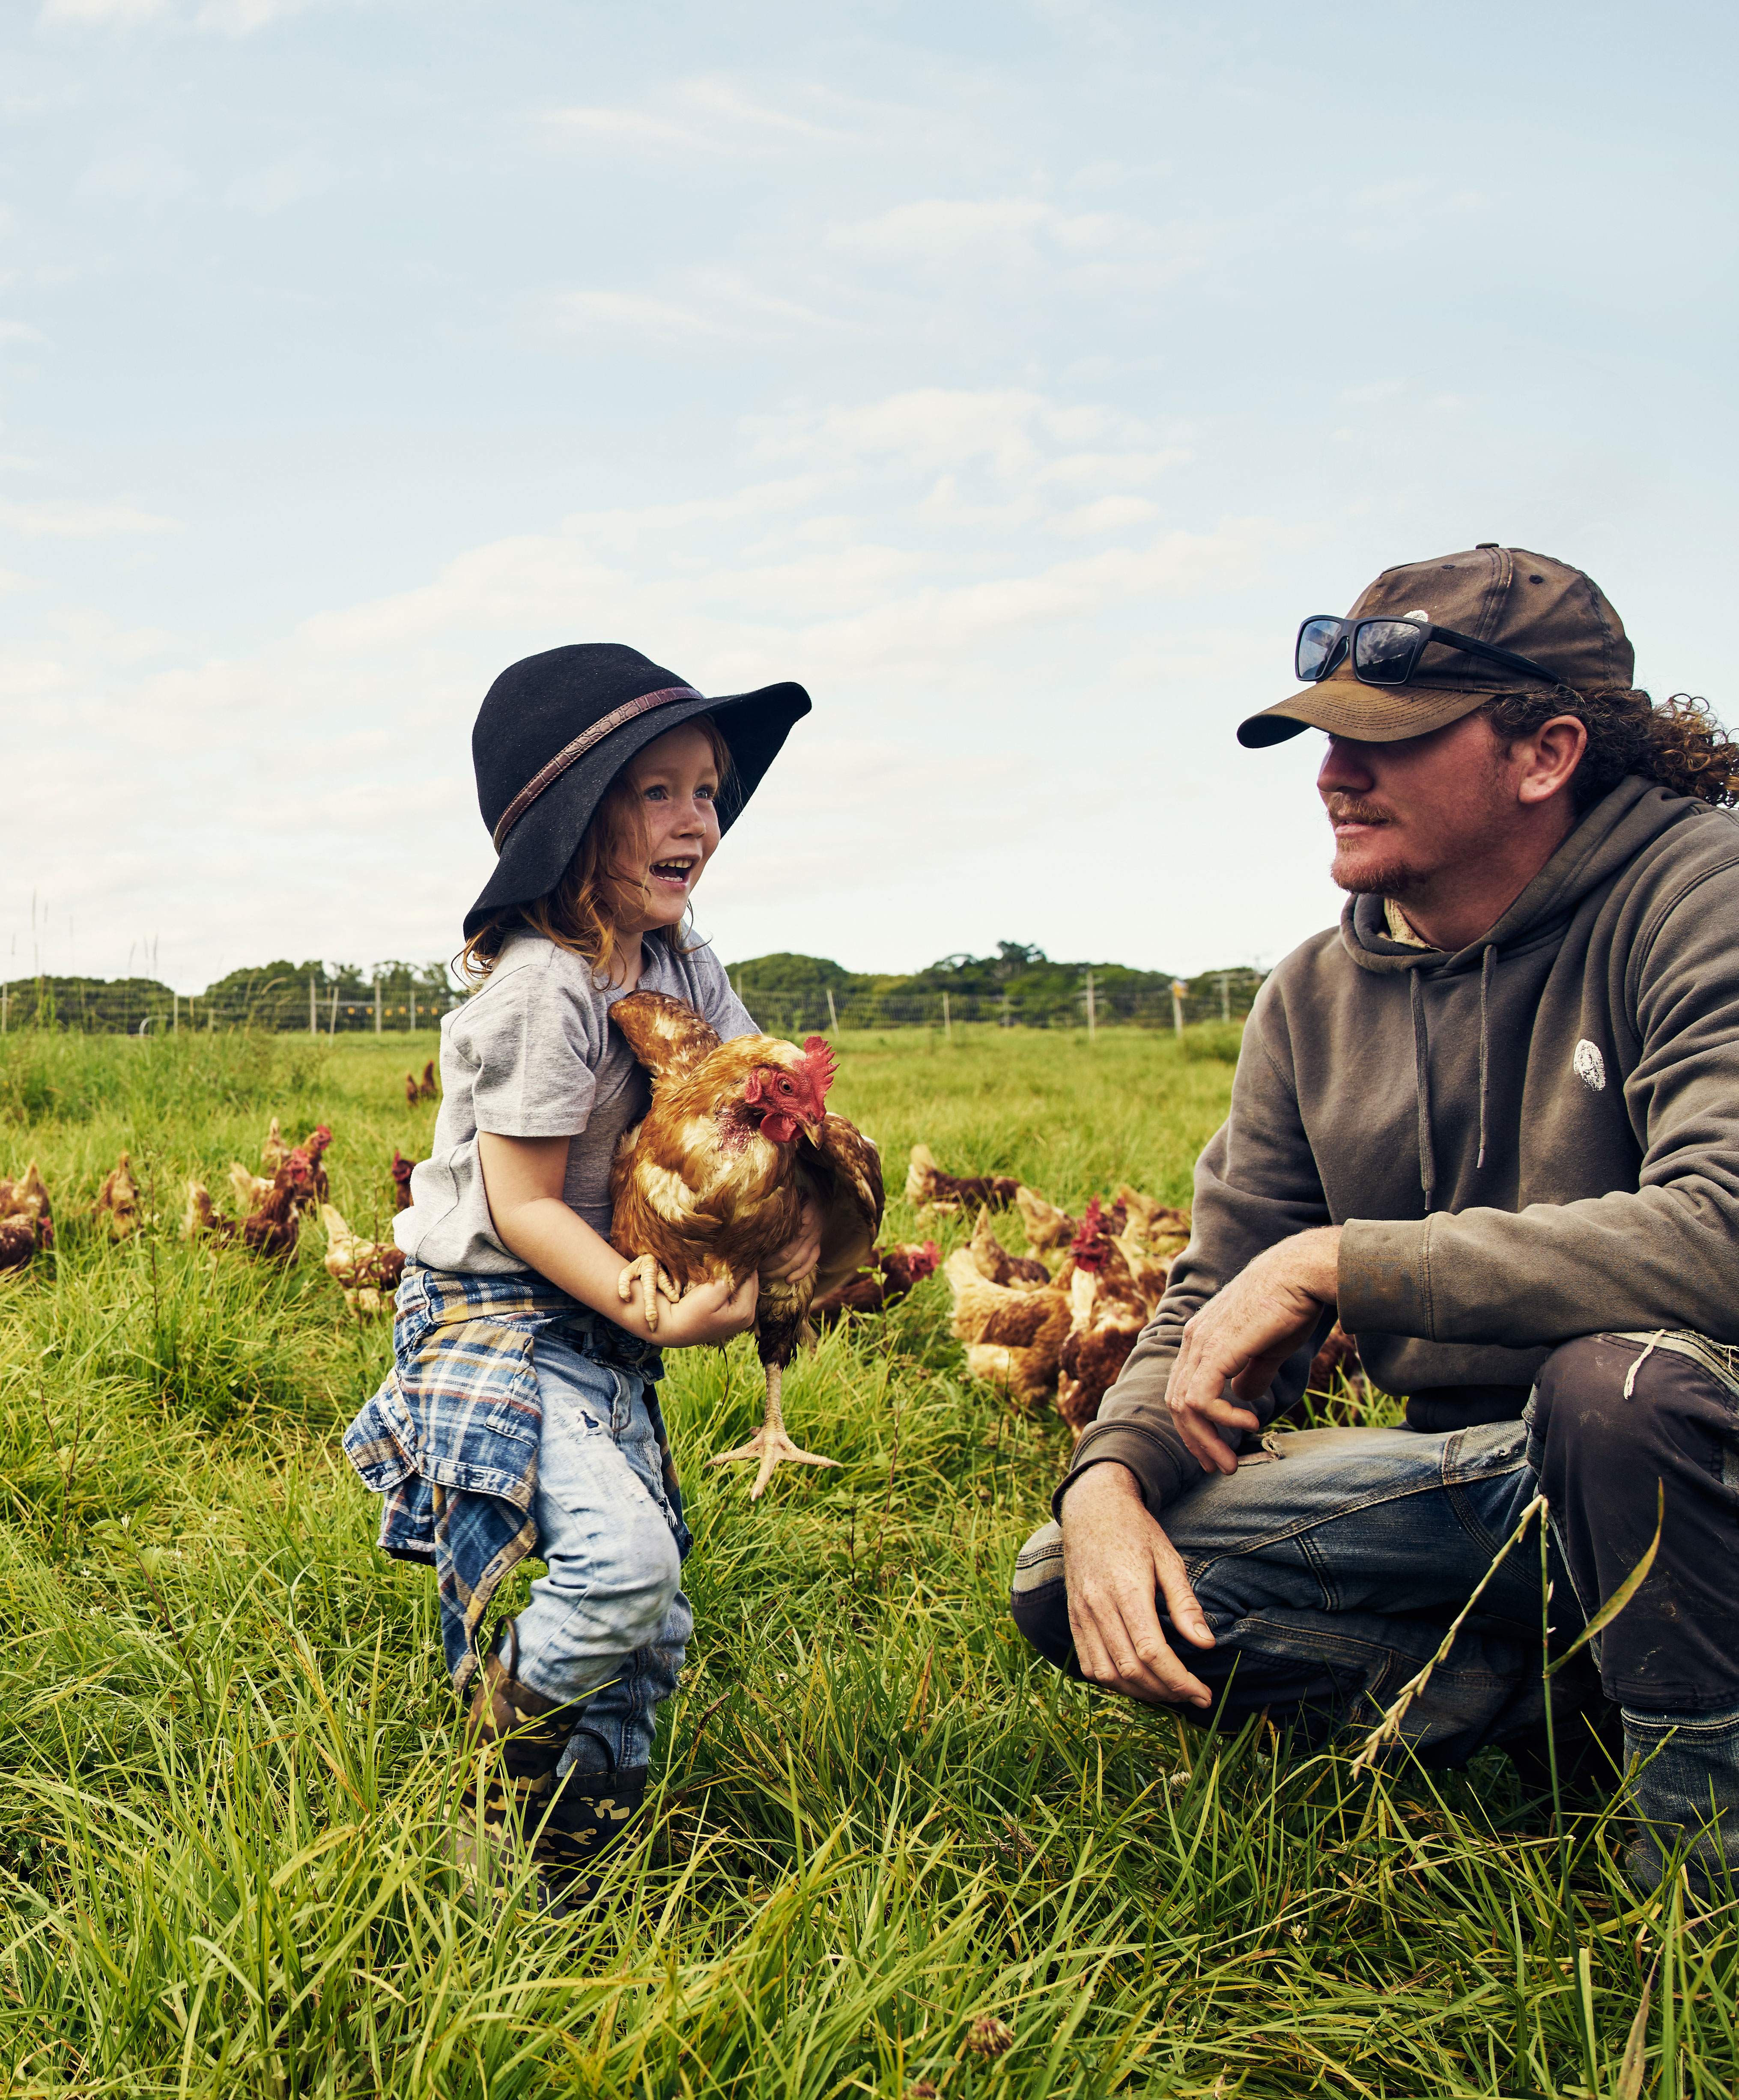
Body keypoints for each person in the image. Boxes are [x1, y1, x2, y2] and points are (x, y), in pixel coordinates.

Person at [1010, 545, 1739, 1890]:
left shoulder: (1703, 895)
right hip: (1484, 1483)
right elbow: (1221, 1280)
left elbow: (1726, 1230)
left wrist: (1349, 1262)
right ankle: (1563, 1726)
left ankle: (1701, 1876)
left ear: (1546, 752)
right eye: (1328, 736)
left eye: (1386, 738)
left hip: (1689, 1452)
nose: (1333, 772)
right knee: (1078, 1575)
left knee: (1615, 1392)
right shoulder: (1311, 994)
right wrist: (1112, 1474)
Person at [343, 642, 820, 1909]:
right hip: (500, 1308)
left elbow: (728, 1117)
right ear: (575, 818)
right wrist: (655, 1306)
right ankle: (493, 1776)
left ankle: (576, 1859)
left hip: (599, 1321)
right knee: (622, 1569)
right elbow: (526, 1205)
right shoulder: (540, 990)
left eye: (708, 790)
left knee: (652, 1630)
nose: (697, 821)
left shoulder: (684, 969)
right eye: (657, 791)